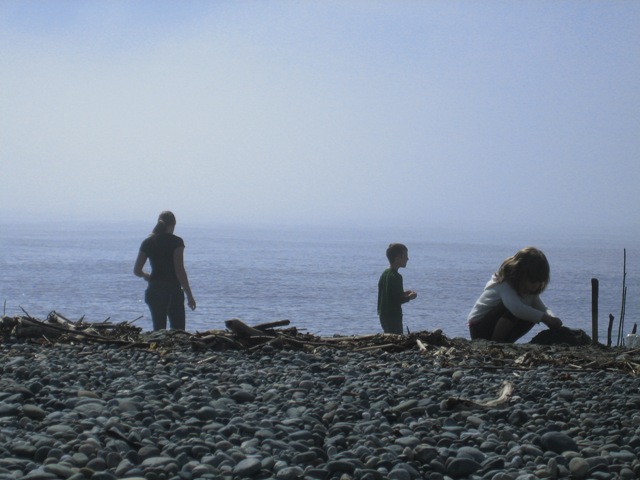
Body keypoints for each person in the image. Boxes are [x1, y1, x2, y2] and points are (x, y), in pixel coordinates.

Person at [467, 246, 563, 343]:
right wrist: (544, 318)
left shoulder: (528, 291)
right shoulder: (503, 284)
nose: (536, 285)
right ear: (520, 273)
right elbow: (517, 309)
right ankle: (496, 342)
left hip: (496, 324)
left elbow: (541, 308)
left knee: (532, 313)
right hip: (479, 327)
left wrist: (552, 318)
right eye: (533, 280)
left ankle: (506, 341)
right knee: (517, 311)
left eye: (540, 281)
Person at [133, 211, 196, 330]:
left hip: (154, 290)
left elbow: (137, 270)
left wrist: (146, 275)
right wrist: (189, 295)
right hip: (172, 291)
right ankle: (177, 349)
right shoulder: (177, 242)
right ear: (173, 225)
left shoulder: (148, 242)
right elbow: (179, 270)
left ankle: (155, 348)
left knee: (158, 330)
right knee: (178, 331)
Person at [377, 243, 418, 334]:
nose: (407, 259)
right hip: (393, 316)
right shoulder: (396, 276)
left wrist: (404, 292)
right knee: (397, 336)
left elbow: (389, 294)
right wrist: (410, 297)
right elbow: (397, 299)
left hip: (383, 315)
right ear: (397, 259)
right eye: (405, 256)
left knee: (388, 335)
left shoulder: (384, 274)